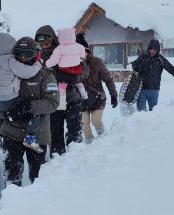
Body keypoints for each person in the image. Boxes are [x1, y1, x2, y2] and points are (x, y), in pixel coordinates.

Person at [0, 36, 59, 186]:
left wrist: (29, 107)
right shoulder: (7, 70)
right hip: (11, 132)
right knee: (12, 176)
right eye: (19, 54)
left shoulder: (46, 75)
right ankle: (11, 207)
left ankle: (36, 207)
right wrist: (7, 114)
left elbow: (53, 103)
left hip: (38, 134)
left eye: (28, 54)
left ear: (36, 54)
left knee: (38, 178)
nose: (23, 58)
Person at [0, 32, 43, 152]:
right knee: (33, 111)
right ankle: (30, 137)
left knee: (4, 114)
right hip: (10, 97)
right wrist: (38, 64)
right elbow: (27, 72)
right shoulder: (10, 60)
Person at [35, 25, 83, 157]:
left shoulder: (66, 48)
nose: (44, 44)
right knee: (55, 134)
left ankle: (76, 159)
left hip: (72, 97)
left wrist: (73, 77)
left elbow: (84, 69)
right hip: (53, 101)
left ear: (53, 39)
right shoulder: (36, 56)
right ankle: (57, 161)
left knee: (75, 132)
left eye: (47, 41)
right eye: (40, 41)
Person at [76, 33, 118, 144]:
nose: (80, 54)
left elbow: (108, 79)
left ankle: (103, 138)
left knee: (96, 121)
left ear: (87, 51)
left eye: (82, 51)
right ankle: (90, 146)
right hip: (82, 99)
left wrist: (113, 95)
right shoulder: (73, 64)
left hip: (98, 97)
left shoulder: (97, 62)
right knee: (85, 124)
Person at [131, 39, 174, 111]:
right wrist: (137, 68)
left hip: (154, 89)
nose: (152, 51)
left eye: (154, 50)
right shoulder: (143, 57)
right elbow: (134, 64)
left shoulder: (160, 59)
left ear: (157, 50)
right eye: (151, 49)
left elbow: (172, 69)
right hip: (141, 89)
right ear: (148, 49)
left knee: (154, 113)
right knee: (141, 112)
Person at [45, 27, 88, 104]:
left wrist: (47, 64)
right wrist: (79, 58)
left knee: (62, 86)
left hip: (64, 70)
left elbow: (55, 60)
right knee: (78, 82)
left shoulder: (59, 48)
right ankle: (83, 93)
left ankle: (61, 103)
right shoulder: (78, 46)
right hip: (76, 68)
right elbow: (82, 55)